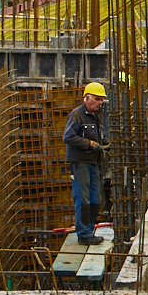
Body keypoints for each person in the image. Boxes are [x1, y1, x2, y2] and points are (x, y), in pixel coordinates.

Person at [63, 82, 109, 245]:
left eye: (101, 100)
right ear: (87, 97)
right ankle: (83, 235)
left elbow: (99, 136)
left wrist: (104, 143)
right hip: (80, 164)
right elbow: (68, 137)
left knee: (95, 199)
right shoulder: (77, 115)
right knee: (83, 200)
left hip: (93, 163)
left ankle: (89, 231)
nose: (100, 102)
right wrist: (89, 144)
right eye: (97, 99)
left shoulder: (95, 116)